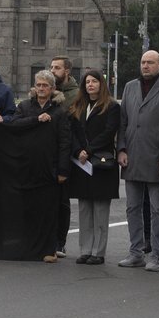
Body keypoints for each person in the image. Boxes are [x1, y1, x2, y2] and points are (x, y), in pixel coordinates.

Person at [116, 50, 159, 271]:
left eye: (150, 62)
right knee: (132, 208)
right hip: (132, 156)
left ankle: (156, 255)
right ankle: (135, 252)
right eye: (143, 62)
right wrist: (121, 148)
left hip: (157, 159)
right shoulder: (130, 87)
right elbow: (123, 122)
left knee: (158, 210)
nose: (145, 66)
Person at [1, 69, 72, 262]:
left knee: (48, 210)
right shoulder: (25, 106)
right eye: (38, 85)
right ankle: (28, 247)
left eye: (45, 86)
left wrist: (63, 170)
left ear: (52, 88)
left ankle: (49, 249)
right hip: (26, 166)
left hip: (50, 168)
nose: (41, 89)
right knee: (28, 208)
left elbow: (65, 142)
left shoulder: (60, 110)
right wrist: (36, 119)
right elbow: (14, 125)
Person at [67, 70, 120, 266]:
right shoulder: (78, 106)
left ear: (101, 84)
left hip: (101, 163)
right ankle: (85, 250)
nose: (90, 85)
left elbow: (108, 132)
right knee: (84, 209)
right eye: (87, 82)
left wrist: (88, 150)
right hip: (82, 164)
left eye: (94, 81)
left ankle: (98, 252)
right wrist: (78, 150)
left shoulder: (112, 106)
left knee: (100, 210)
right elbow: (72, 132)